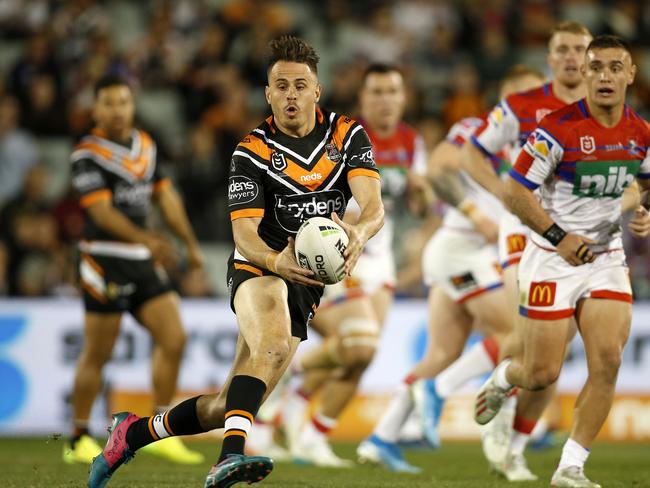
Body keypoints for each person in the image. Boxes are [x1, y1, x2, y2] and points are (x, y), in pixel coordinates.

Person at [87, 35, 384, 488]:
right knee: (275, 345)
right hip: (259, 263)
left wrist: (359, 232)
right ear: (267, 94)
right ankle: (228, 458)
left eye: (300, 85)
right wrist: (273, 261)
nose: (291, 95)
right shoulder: (251, 150)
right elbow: (243, 232)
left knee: (229, 403)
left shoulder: (347, 135)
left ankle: (133, 433)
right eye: (280, 86)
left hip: (307, 278)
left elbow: (373, 204)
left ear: (316, 91)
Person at [474, 35, 650, 488]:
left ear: (631, 74)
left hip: (606, 259)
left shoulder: (641, 134)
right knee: (541, 373)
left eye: (616, 67)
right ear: (585, 75)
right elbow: (515, 191)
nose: (606, 76)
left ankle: (570, 466)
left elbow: (644, 183)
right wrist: (558, 235)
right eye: (597, 68)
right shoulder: (556, 128)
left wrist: (643, 212)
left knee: (607, 359)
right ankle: (503, 377)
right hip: (551, 259)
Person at [356, 65, 545, 476]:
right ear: (506, 99)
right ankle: (438, 391)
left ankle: (381, 439)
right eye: (525, 97)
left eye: (540, 96)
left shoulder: (543, 145)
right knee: (517, 334)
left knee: (442, 353)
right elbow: (440, 164)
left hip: (472, 257)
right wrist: (475, 214)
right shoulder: (478, 129)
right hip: (461, 250)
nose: (536, 105)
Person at [272, 62, 431, 468]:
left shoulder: (411, 142)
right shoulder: (340, 138)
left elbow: (421, 207)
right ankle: (286, 379)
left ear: (403, 97)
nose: (385, 99)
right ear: (362, 98)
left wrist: (421, 192)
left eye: (392, 91)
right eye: (376, 92)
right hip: (337, 254)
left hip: (382, 262)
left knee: (359, 355)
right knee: (361, 346)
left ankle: (309, 430)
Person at [64, 74, 205, 466]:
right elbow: (100, 211)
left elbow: (166, 197)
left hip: (142, 261)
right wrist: (146, 239)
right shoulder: (86, 154)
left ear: (133, 104)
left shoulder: (145, 145)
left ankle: (159, 430)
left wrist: (190, 245)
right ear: (95, 108)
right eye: (108, 102)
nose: (117, 109)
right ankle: (77, 436)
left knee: (174, 338)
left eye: (123, 101)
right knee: (99, 352)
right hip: (103, 259)